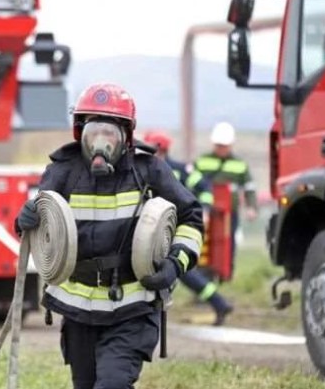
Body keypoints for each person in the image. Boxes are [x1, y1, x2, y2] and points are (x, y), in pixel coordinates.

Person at [15, 83, 205, 389]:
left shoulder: (149, 170)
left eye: (109, 133)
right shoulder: (63, 171)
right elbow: (41, 226)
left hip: (133, 307)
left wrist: (175, 264)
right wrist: (24, 220)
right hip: (78, 310)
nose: (100, 142)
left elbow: (191, 218)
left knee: (113, 384)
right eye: (93, 133)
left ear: (126, 136)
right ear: (80, 133)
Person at [141, 130, 233, 326]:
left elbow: (204, 188)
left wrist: (205, 209)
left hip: (175, 227)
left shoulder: (180, 170)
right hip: (152, 229)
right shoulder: (143, 168)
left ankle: (218, 302)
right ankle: (218, 303)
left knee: (179, 268)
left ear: (161, 149)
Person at [194, 121, 258, 273]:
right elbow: (192, 183)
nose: (221, 149)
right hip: (206, 212)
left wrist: (251, 207)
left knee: (228, 243)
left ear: (230, 145)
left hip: (229, 213)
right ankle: (203, 274)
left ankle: (225, 273)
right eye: (219, 145)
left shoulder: (239, 164)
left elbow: (249, 187)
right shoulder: (202, 161)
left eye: (224, 146)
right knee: (204, 243)